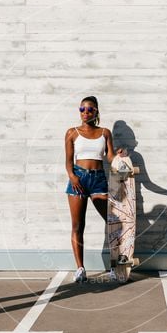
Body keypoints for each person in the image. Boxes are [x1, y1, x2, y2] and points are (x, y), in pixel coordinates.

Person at [64, 96, 121, 282]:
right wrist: (73, 177)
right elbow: (68, 162)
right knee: (78, 226)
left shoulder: (105, 132)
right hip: (78, 179)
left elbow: (110, 157)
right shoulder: (72, 133)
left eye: (90, 109)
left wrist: (118, 156)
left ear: (96, 112)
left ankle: (115, 266)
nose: (85, 112)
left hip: (98, 180)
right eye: (82, 109)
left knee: (113, 222)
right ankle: (80, 269)